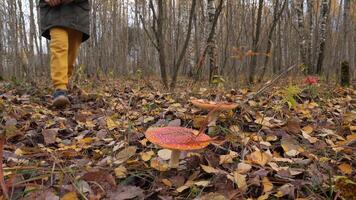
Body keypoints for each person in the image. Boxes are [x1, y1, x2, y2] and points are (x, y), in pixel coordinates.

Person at [39, 0, 90, 107]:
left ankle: (65, 82)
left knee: (71, 53)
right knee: (59, 45)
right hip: (53, 11)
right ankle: (60, 88)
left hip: (78, 12)